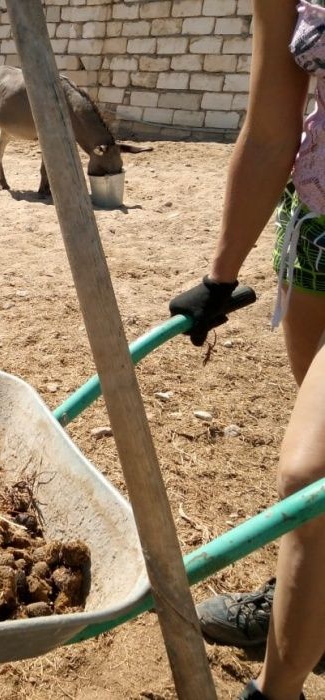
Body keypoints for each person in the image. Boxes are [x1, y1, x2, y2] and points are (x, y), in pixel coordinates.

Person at [167, 1, 325, 699]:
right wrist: (220, 277)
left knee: (310, 479)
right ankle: (310, 609)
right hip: (317, 239)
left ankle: (277, 690)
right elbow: (269, 130)